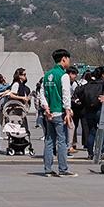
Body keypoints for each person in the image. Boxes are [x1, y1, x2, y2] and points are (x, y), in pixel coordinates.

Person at [39, 49, 73, 177]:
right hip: (59, 113)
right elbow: (66, 94)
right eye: (68, 59)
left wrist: (46, 108)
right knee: (62, 141)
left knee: (49, 140)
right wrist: (68, 110)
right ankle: (63, 169)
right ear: (63, 59)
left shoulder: (47, 74)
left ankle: (47, 169)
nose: (69, 62)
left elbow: (42, 93)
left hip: (49, 114)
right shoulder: (63, 75)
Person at [80, 67, 104, 161]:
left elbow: (79, 92)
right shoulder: (103, 85)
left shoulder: (87, 85)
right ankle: (102, 151)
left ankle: (90, 153)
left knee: (91, 131)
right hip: (99, 110)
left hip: (88, 111)